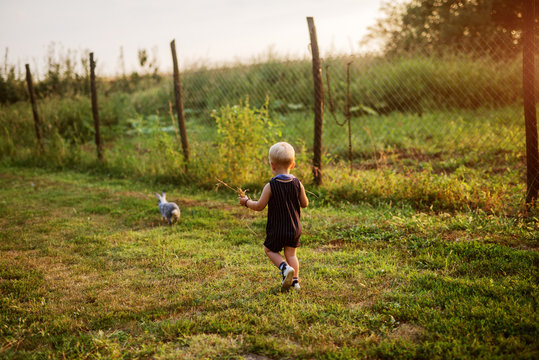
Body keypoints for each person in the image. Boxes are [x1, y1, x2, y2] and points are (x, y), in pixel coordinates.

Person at [239, 142, 309, 291]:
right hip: (294, 228)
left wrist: (246, 202)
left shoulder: (271, 185)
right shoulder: (298, 183)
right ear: (293, 164)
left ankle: (284, 268)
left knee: (269, 250)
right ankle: (295, 281)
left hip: (277, 228)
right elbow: (305, 204)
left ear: (272, 165)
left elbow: (259, 206)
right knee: (291, 254)